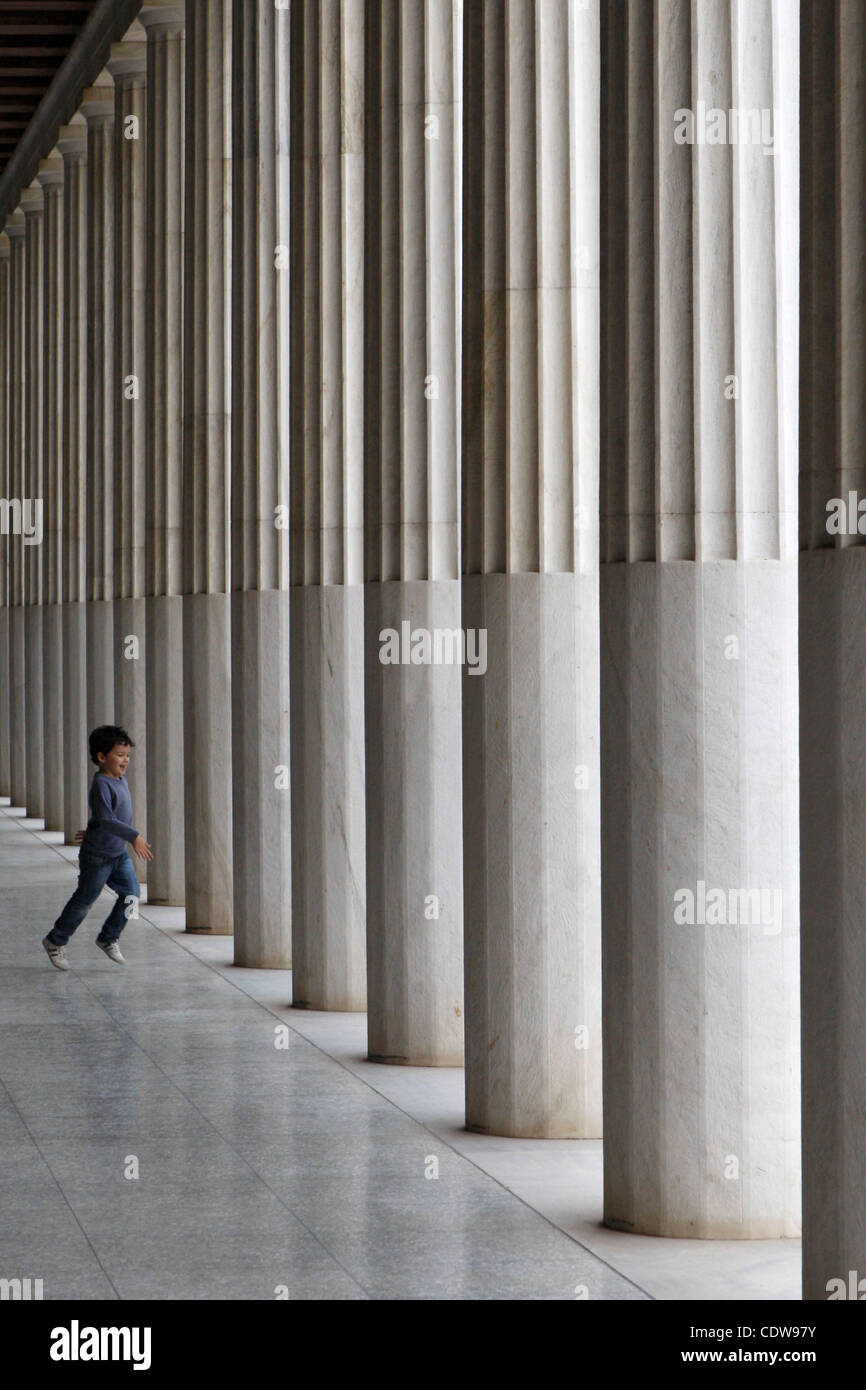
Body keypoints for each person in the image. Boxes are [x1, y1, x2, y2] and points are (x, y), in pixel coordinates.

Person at [42, 725, 154, 970]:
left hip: (117, 853)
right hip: (98, 857)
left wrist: (94, 829)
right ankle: (55, 940)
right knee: (84, 901)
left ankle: (108, 937)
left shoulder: (120, 780)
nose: (125, 760)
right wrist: (134, 836)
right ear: (102, 757)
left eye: (127, 756)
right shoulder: (102, 784)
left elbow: (103, 819)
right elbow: (106, 818)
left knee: (132, 896)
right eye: (119, 755)